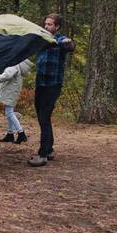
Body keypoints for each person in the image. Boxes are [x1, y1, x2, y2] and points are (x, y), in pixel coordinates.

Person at [28, 13, 75, 167]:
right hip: (40, 83)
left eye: (50, 24)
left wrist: (68, 43)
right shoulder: (42, 39)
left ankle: (42, 155)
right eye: (46, 23)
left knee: (44, 117)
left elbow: (68, 45)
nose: (46, 26)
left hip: (52, 85)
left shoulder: (59, 40)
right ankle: (49, 150)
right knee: (43, 118)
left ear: (57, 27)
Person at [0, 58, 34, 144]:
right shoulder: (19, 63)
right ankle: (10, 134)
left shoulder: (14, 62)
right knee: (9, 111)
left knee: (9, 113)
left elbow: (7, 75)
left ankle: (21, 134)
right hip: (12, 91)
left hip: (10, 91)